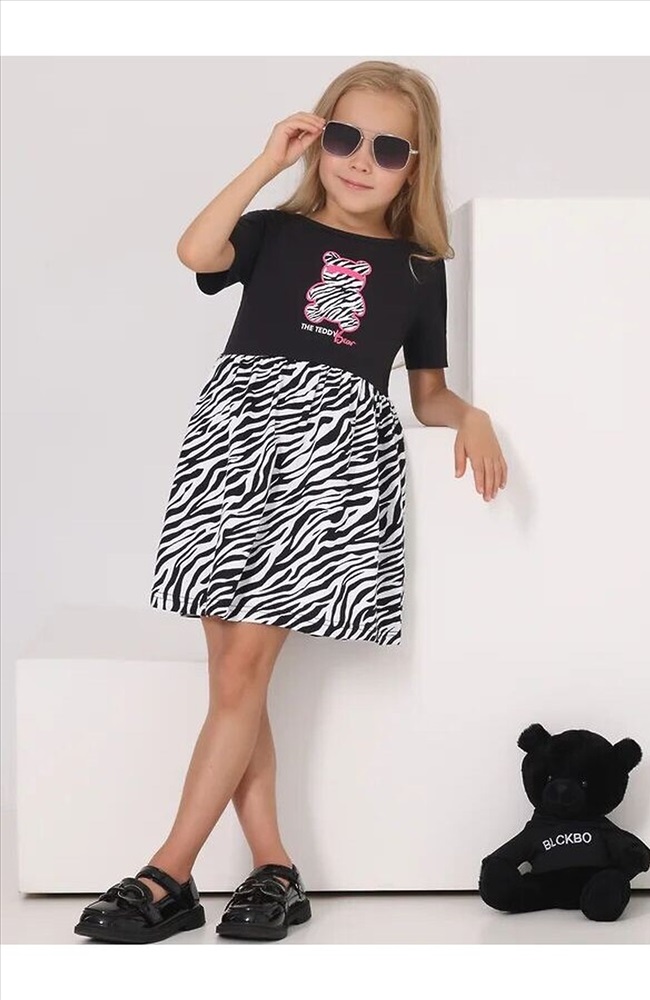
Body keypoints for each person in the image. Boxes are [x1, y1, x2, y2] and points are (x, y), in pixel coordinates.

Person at [74, 59, 508, 945]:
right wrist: (266, 163)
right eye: (343, 137)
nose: (361, 160)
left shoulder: (417, 267)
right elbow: (196, 252)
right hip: (232, 447)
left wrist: (473, 415)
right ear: (316, 139)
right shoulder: (274, 231)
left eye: (387, 148)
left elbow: (427, 394)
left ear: (415, 164)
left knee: (241, 673)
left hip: (328, 463)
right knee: (234, 678)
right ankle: (274, 868)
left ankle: (167, 874)